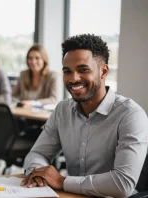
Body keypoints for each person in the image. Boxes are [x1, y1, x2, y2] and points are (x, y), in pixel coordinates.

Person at [21, 34, 148, 197]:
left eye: (83, 70)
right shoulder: (62, 110)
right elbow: (37, 154)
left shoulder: (130, 115)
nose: (73, 78)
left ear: (103, 71)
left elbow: (122, 184)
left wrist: (61, 181)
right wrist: (39, 175)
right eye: (67, 71)